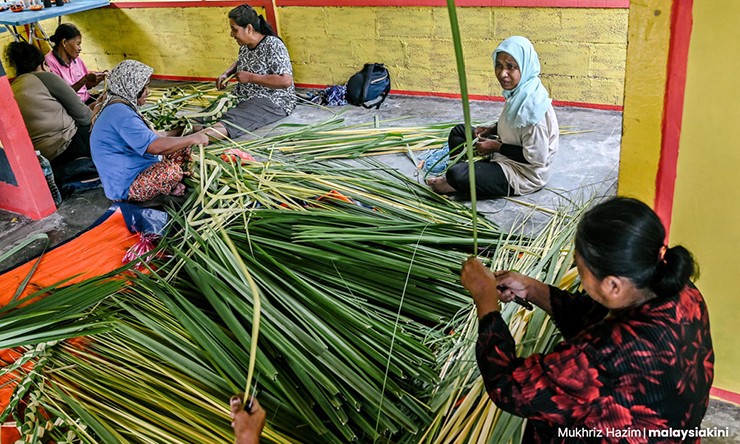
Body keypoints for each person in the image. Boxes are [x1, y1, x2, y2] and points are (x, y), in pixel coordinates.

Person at [460, 197, 714, 443]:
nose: (579, 275)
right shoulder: (679, 288)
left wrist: (486, 301)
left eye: (581, 271)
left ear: (613, 285)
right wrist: (532, 289)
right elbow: (593, 317)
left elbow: (509, 387)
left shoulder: (607, 353)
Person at [428, 36, 558, 199]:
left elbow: (536, 158)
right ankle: (470, 175)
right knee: (460, 132)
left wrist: (495, 147)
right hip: (505, 149)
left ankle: (456, 182)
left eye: (510, 67)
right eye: (499, 65)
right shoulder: (521, 90)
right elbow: (516, 122)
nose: (503, 73)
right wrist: (493, 128)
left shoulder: (533, 108)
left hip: (522, 172)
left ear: (524, 67)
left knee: (456, 174)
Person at [90, 60, 209, 203]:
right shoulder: (121, 114)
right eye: (144, 87)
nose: (148, 92)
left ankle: (170, 187)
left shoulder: (119, 104)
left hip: (137, 165)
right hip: (126, 184)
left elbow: (157, 135)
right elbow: (154, 146)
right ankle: (168, 186)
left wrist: (185, 130)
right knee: (172, 172)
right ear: (132, 86)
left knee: (183, 148)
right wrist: (193, 138)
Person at [6, 41, 97, 184]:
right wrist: (100, 104)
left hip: (44, 158)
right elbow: (85, 117)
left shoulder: (12, 88)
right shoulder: (44, 77)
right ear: (42, 64)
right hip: (69, 146)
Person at [202, 4, 296, 140]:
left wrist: (251, 77)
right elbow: (241, 61)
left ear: (249, 28)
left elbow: (285, 81)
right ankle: (176, 133)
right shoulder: (245, 46)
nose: (231, 34)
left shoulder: (273, 44)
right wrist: (226, 74)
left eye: (234, 30)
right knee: (207, 115)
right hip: (245, 95)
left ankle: (196, 139)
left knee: (230, 121)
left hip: (273, 100)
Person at [45, 23, 106, 105]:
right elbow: (63, 96)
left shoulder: (76, 59)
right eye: (78, 44)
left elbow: (85, 86)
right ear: (64, 42)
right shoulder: (49, 62)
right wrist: (85, 79)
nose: (80, 48)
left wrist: (100, 78)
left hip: (86, 101)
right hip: (72, 108)